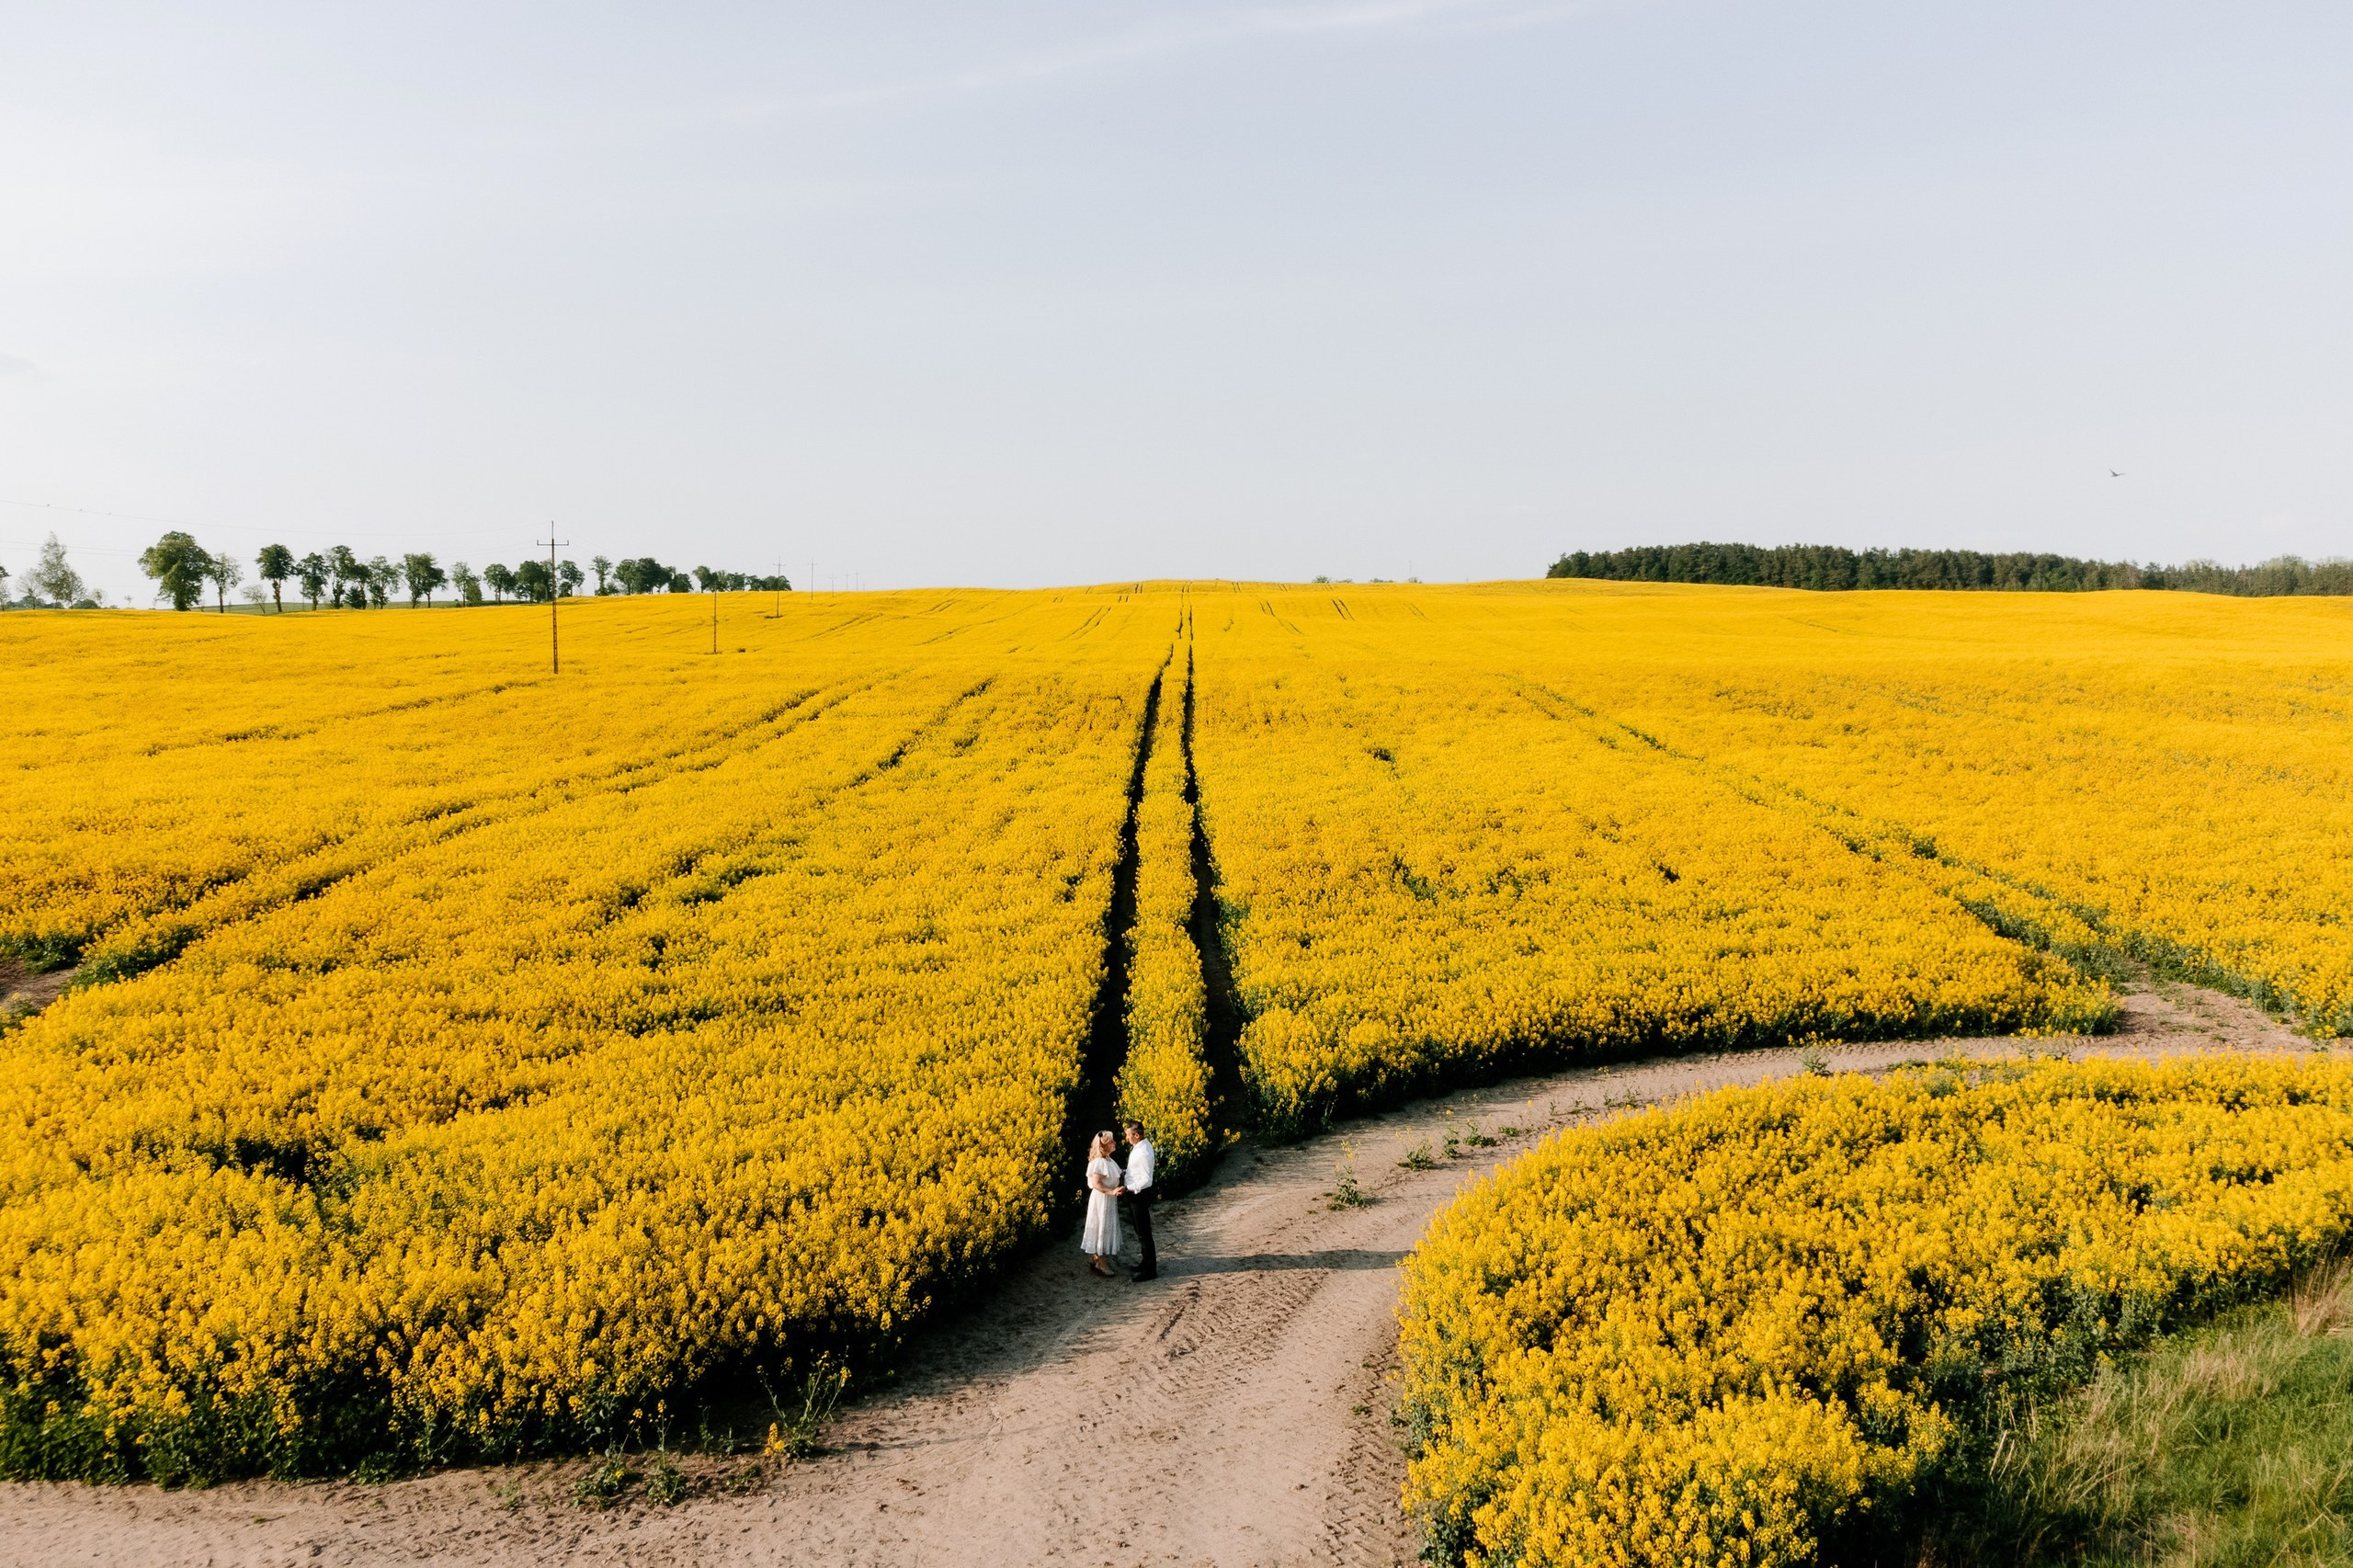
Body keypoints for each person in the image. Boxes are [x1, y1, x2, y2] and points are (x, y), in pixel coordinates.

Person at [1081, 1131, 1123, 1278]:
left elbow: (1118, 1173)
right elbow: (1096, 1183)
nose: (1114, 1143)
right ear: (1104, 1146)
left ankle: (1096, 1258)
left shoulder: (1109, 1161)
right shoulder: (1099, 1162)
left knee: (1104, 1228)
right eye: (1111, 1142)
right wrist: (1112, 1192)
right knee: (1101, 1228)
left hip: (1108, 1200)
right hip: (1101, 1200)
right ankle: (1101, 1263)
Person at [1122, 1119, 1157, 1281]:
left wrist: (1128, 1188)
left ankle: (1150, 1270)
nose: (1126, 1138)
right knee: (1140, 1231)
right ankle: (1145, 1263)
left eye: (1128, 1135)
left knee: (1144, 1232)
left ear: (1137, 1135)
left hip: (1139, 1195)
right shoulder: (1139, 1147)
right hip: (1134, 1193)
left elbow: (1146, 1180)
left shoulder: (1143, 1152)